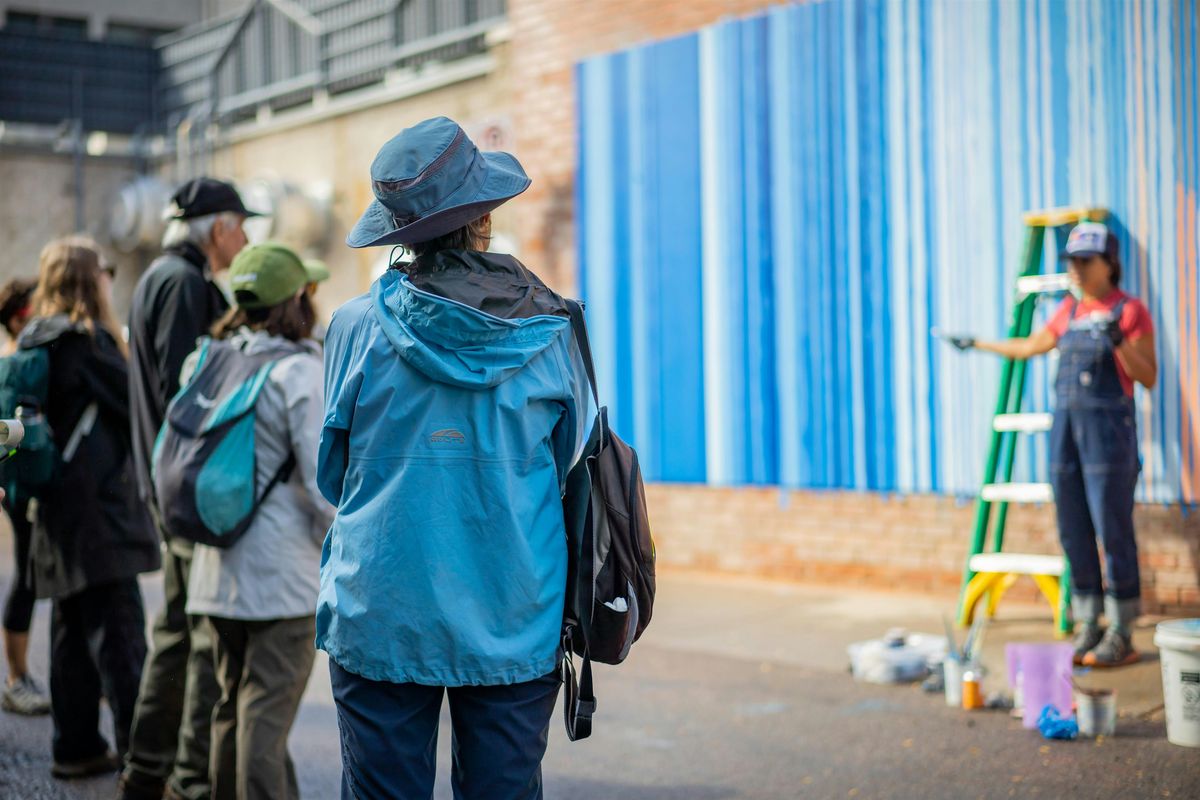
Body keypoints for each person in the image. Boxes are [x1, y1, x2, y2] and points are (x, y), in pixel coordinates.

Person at [317, 117, 591, 800]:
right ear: (483, 220)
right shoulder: (554, 330)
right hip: (513, 609)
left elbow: (334, 475)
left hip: (382, 607)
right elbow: (573, 473)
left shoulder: (354, 327)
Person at [167, 243, 333, 800]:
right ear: (295, 300)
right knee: (263, 719)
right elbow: (323, 486)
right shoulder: (298, 372)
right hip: (280, 580)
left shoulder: (205, 360)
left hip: (214, 572)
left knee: (231, 712)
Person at [950, 221, 1157, 667]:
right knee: (1073, 528)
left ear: (1109, 264)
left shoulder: (1129, 311)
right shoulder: (1068, 311)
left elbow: (1148, 375)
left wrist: (1118, 340)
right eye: (1071, 263)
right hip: (1066, 439)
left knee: (1112, 530)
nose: (1076, 270)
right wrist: (978, 344)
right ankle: (1088, 623)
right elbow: (1030, 346)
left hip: (1109, 441)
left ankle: (1122, 630)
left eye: (1086, 261)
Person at [121, 177, 259, 800]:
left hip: (167, 482)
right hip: (186, 490)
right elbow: (192, 397)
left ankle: (147, 769)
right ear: (216, 228)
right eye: (241, 223)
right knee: (195, 639)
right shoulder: (182, 283)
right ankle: (182, 777)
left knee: (176, 634)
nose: (248, 236)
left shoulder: (161, 276)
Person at [18, 236, 159, 777]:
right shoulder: (88, 341)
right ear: (87, 278)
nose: (109, 280)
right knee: (122, 638)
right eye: (104, 271)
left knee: (71, 634)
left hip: (55, 509)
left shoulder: (35, 340)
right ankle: (140, 760)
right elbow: (137, 404)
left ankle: (74, 748)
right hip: (100, 515)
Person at [0, 277, 50, 716]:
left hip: (28, 488)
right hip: (21, 491)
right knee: (28, 577)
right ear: (20, 316)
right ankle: (15, 679)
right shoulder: (16, 366)